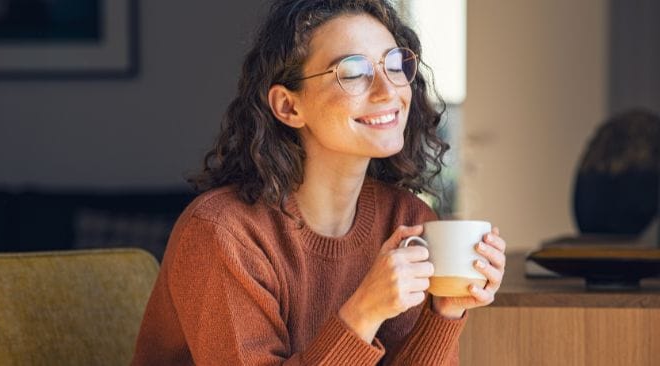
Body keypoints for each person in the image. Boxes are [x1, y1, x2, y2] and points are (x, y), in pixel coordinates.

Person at [132, 0, 506, 365]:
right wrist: (363, 312)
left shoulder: (406, 219)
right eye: (354, 72)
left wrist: (444, 313)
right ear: (288, 107)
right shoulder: (222, 234)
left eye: (394, 64)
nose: (388, 91)